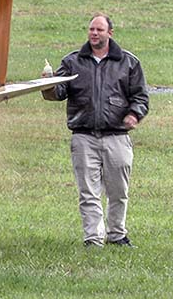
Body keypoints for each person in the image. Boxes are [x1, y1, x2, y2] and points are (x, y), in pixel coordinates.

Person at [42, 14, 149, 248]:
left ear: (110, 33)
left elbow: (141, 96)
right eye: (91, 29)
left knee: (118, 191)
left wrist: (134, 114)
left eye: (99, 29)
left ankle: (117, 234)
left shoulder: (128, 62)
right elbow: (58, 93)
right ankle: (93, 238)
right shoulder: (72, 62)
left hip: (117, 136)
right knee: (88, 192)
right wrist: (48, 85)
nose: (94, 33)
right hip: (83, 136)